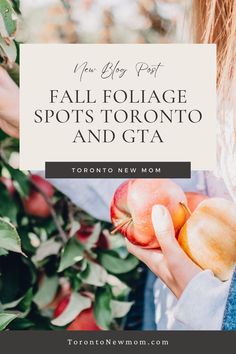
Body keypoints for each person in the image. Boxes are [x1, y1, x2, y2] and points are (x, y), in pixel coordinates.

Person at [0, 0, 235, 330]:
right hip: (162, 308)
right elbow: (174, 177)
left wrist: (212, 309)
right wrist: (36, 119)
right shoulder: (220, 47)